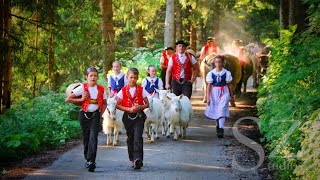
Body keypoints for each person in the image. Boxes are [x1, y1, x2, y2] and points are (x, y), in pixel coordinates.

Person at [65, 67, 107, 172]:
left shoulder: (101, 89)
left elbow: (105, 103)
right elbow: (68, 99)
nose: (93, 77)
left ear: (97, 77)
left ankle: (92, 161)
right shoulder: (82, 88)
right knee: (86, 137)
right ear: (87, 77)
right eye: (91, 75)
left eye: (95, 75)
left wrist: (100, 113)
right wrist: (81, 99)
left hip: (95, 115)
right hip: (84, 115)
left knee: (94, 137)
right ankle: (87, 158)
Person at [115, 68, 149, 169]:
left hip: (139, 116)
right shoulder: (123, 91)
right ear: (127, 77)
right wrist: (128, 109)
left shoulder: (141, 90)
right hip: (128, 117)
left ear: (137, 78)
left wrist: (140, 107)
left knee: (138, 136)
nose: (132, 80)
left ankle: (138, 159)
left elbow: (147, 104)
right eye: (131, 77)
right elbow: (117, 105)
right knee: (131, 137)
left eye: (135, 78)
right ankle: (132, 158)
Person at [204, 55, 234, 138]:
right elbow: (209, 86)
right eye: (217, 62)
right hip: (214, 92)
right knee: (217, 110)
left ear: (222, 63)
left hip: (224, 91)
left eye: (220, 62)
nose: (218, 64)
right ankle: (218, 126)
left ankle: (221, 129)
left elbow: (229, 85)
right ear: (214, 63)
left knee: (222, 110)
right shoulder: (211, 73)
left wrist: (232, 95)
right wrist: (208, 97)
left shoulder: (226, 73)